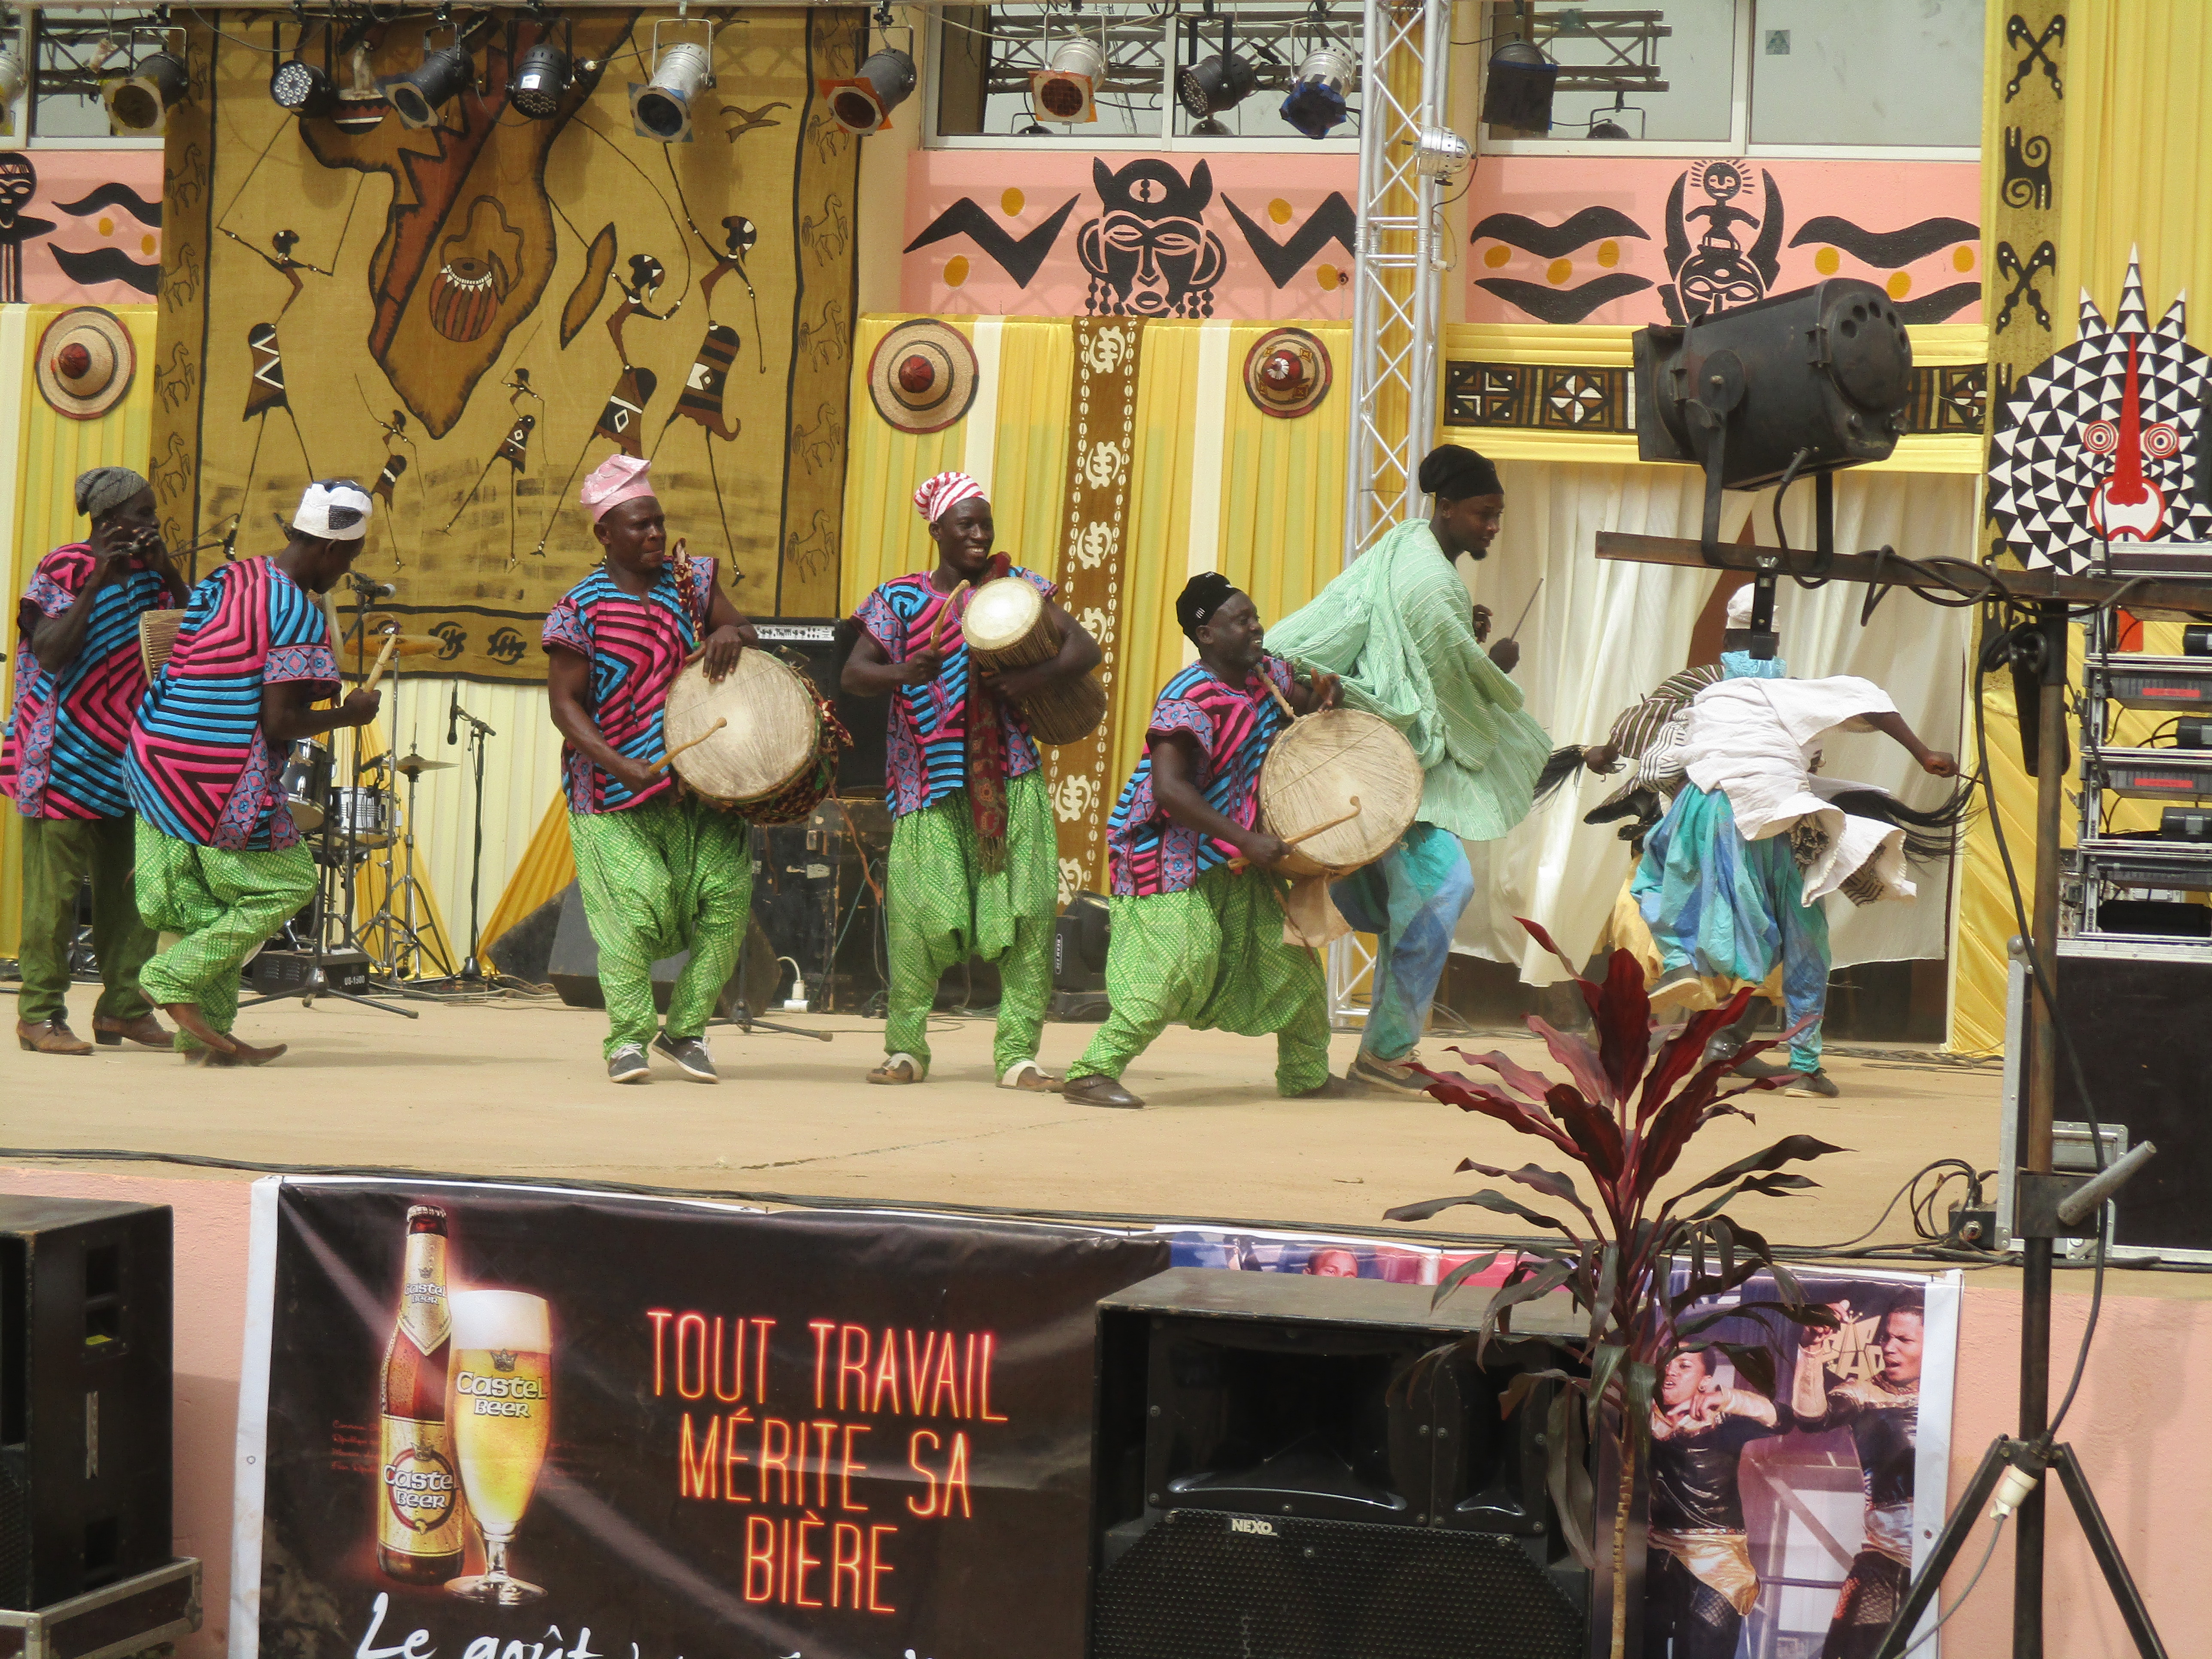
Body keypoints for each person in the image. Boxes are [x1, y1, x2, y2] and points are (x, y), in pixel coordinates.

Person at [1267, 444, 1550, 1094]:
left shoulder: (1408, 547)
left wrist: (1466, 645)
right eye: (1484, 513)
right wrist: (1496, 666)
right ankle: (1385, 1053)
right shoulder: (1430, 581)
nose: (1494, 527)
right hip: (1389, 764)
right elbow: (1448, 691)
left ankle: (1384, 1051)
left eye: (1499, 515)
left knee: (1416, 898)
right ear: (1446, 508)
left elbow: (1417, 666)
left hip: (1375, 757)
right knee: (1442, 889)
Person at [843, 471, 1101, 1090]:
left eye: (985, 522)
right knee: (919, 919)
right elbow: (855, 676)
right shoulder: (900, 600)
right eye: (967, 524)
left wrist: (1030, 682)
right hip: (926, 784)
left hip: (1008, 779)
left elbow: (1084, 649)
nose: (980, 534)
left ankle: (1018, 1058)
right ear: (937, 531)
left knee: (1028, 916)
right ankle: (906, 1050)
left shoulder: (1016, 591)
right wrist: (905, 669)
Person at [1632, 613, 1960, 1097]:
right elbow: (1867, 697)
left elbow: (1660, 765)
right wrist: (1922, 752)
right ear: (1776, 650)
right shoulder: (1790, 694)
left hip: (1703, 810)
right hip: (1774, 810)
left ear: (1725, 647)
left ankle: (1682, 963)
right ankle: (1804, 1064)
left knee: (1655, 878)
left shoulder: (1706, 698)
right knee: (1803, 934)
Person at [1059, 574, 1352, 1109]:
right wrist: (1246, 838)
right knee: (1176, 964)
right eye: (1240, 620)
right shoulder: (1189, 696)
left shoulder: (1266, 676)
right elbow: (1169, 791)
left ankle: (1306, 1073)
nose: (1256, 626)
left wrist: (1323, 697)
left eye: (1254, 615)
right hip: (1162, 850)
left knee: (1291, 968)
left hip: (1230, 853)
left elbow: (1305, 700)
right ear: (1207, 634)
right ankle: (1090, 1072)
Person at [125, 480, 383, 1064]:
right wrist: (350, 713)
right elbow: (280, 722)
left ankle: (206, 1040)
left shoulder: (232, 577)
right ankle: (166, 977)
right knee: (290, 881)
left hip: (156, 756)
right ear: (329, 550)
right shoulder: (296, 610)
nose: (344, 573)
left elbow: (188, 647)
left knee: (206, 908)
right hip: (212, 778)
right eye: (349, 559)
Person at [544, 454, 760, 1085]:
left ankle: (686, 1032)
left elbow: (746, 632)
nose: (655, 536)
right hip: (612, 789)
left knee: (726, 906)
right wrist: (621, 764)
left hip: (701, 785)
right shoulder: (578, 609)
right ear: (605, 534)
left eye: (659, 524)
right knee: (634, 915)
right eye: (639, 526)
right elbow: (564, 706)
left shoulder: (692, 582)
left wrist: (732, 636)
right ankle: (627, 1039)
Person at [3, 467, 188, 1054]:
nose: (151, 524)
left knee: (133, 895)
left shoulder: (151, 577)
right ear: (108, 522)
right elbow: (50, 652)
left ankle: (123, 1011)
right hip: (61, 755)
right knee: (54, 899)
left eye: (154, 515)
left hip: (128, 758)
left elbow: (198, 639)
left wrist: (171, 573)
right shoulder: (64, 568)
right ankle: (39, 1014)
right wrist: (96, 582)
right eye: (143, 515)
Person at [1794, 1297, 1924, 1659]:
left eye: (1904, 1340)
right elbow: (1811, 1418)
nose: (1889, 1348)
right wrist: (1811, 1350)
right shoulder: (1864, 1393)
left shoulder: (1960, 1397)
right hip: (1888, 1558)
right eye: (1886, 1338)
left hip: (1951, 1556)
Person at [1647, 1348, 1791, 1659]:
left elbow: (1783, 1419)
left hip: (1717, 1558)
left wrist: (1726, 1398)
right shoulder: (1645, 1415)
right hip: (1659, 1550)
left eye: (1684, 1366)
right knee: (1642, 1640)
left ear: (1705, 1380)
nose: (1670, 1372)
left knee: (1705, 1645)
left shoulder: (1722, 1419)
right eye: (1666, 1365)